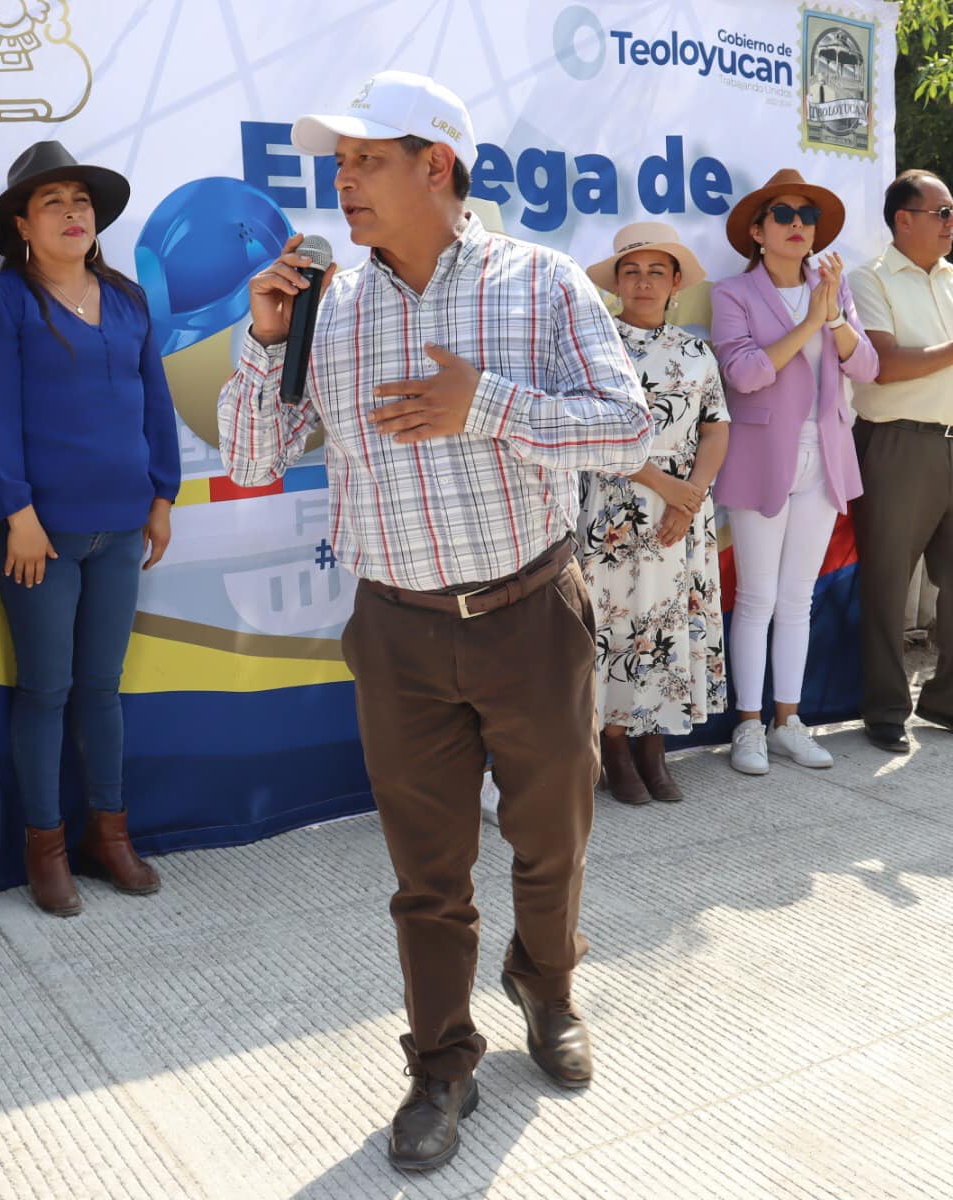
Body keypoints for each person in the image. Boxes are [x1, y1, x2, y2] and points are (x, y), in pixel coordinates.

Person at [218, 71, 652, 1172]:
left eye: (366, 157)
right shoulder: (326, 305)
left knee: (551, 837)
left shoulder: (539, 284)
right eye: (338, 161)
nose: (342, 179)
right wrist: (266, 341)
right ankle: (441, 1061)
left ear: (437, 166)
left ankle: (546, 986)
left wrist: (485, 404)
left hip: (529, 615)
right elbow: (250, 458)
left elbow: (624, 430)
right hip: (398, 631)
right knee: (428, 870)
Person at [0, 141, 179, 917]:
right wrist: (14, 513)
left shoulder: (125, 300)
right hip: (38, 538)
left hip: (122, 528)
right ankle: (44, 846)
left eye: (81, 201)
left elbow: (155, 400)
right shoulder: (3, 305)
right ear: (22, 222)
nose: (72, 213)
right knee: (45, 692)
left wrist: (163, 496)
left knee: (101, 690)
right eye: (52, 202)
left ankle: (108, 835)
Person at [846, 170, 953, 750]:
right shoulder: (867, 280)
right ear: (904, 219)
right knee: (887, 582)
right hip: (898, 443)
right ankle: (884, 710)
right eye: (941, 213)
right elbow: (887, 365)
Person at [710, 169, 878, 775]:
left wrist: (832, 317)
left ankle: (788, 721)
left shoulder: (834, 289)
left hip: (826, 455)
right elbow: (746, 374)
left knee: (797, 599)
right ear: (757, 232)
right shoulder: (733, 294)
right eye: (782, 214)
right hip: (763, 459)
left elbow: (868, 366)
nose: (798, 225)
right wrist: (811, 320)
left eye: (806, 216)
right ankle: (748, 727)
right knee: (755, 598)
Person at [580, 222, 728, 804]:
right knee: (617, 624)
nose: (644, 282)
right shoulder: (594, 346)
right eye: (632, 271)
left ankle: (653, 742)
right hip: (614, 505)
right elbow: (593, 433)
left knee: (666, 623)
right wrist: (664, 485)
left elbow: (716, 428)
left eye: (656, 271)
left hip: (682, 510)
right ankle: (612, 742)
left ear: (674, 284)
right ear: (617, 282)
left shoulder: (696, 351)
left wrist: (690, 495)